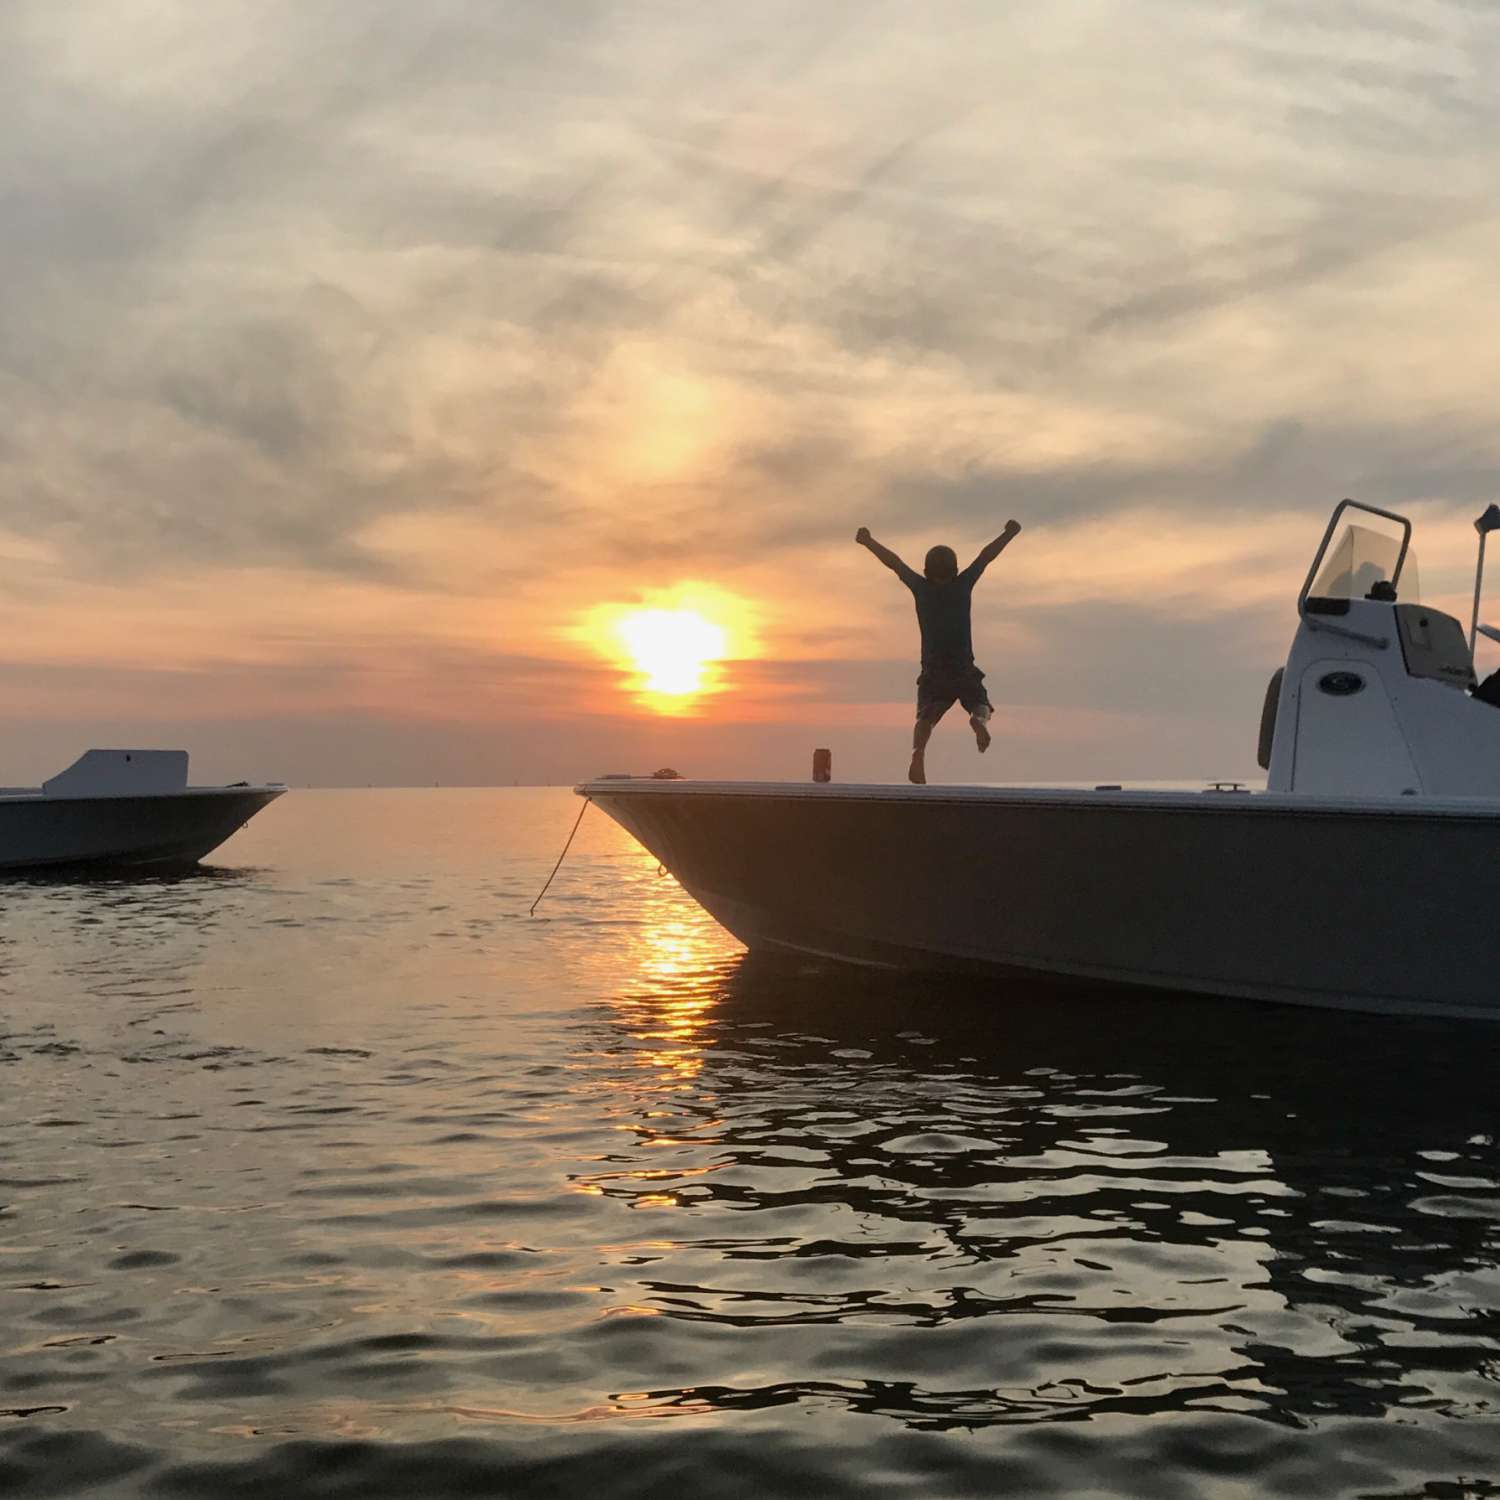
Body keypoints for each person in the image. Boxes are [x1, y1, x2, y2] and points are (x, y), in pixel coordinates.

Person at [856, 521, 1023, 784]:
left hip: (934, 671)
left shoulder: (921, 588)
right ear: (955, 569)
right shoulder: (963, 584)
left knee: (926, 717)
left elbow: (894, 562)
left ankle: (918, 752)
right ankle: (978, 721)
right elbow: (985, 556)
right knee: (980, 704)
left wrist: (868, 542)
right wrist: (1008, 534)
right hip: (963, 668)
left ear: (927, 569)